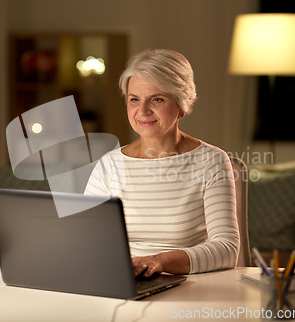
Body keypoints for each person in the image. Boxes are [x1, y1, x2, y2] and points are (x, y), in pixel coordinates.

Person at [84, 49, 239, 277]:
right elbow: (85, 241)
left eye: (157, 99)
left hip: (188, 286)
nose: (143, 110)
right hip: (123, 282)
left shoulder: (212, 162)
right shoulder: (109, 165)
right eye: (134, 99)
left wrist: (159, 261)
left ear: (182, 106)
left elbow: (227, 250)